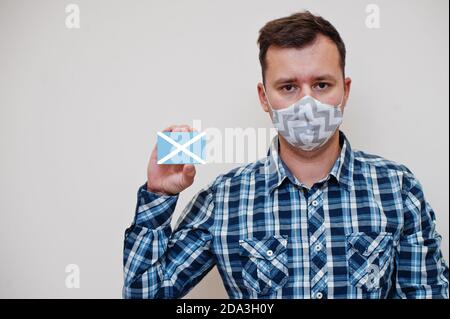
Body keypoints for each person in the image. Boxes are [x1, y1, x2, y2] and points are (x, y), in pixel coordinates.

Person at [123, 11, 449, 299]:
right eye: (288, 87)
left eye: (321, 84)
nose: (307, 103)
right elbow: (144, 293)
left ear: (345, 91)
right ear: (264, 98)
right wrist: (159, 196)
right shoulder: (224, 199)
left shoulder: (397, 187)